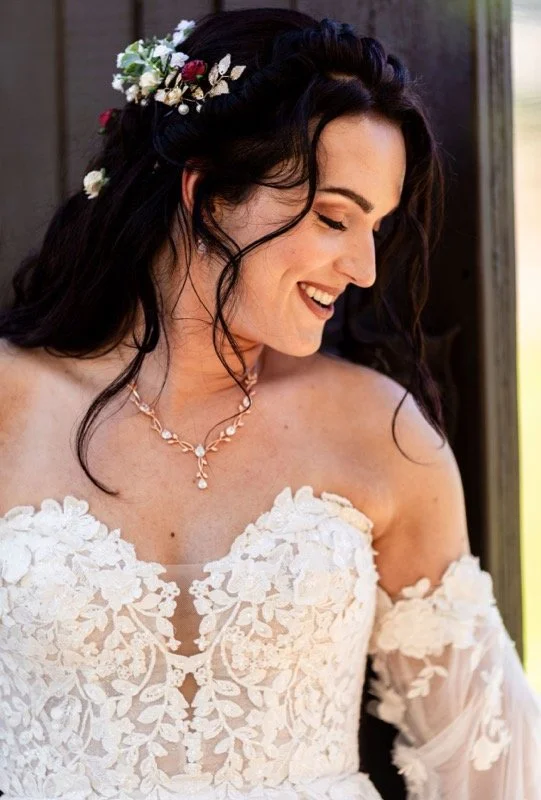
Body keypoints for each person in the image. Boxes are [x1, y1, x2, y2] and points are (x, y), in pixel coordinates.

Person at [0, 8, 539, 799]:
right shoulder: (10, 402)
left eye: (375, 228)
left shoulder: (380, 431)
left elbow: (489, 766)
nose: (362, 268)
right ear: (206, 194)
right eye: (333, 218)